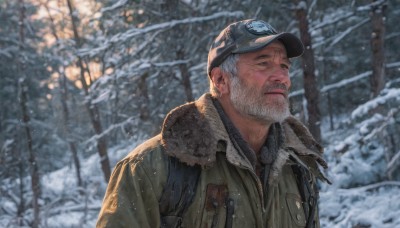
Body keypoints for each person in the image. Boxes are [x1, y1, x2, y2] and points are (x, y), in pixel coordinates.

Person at [96, 19, 330, 228]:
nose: (282, 77)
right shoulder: (150, 168)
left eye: (284, 66)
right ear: (221, 79)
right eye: (264, 63)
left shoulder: (299, 167)